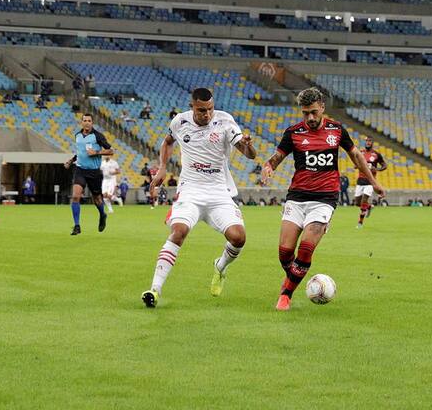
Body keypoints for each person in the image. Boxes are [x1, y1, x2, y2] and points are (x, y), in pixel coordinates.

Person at [259, 87, 384, 311]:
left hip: (324, 198)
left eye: (314, 112)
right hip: (296, 198)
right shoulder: (293, 132)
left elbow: (356, 155)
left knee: (305, 249)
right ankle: (297, 277)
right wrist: (269, 166)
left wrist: (373, 183)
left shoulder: (336, 130)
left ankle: (285, 294)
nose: (310, 117)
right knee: (285, 254)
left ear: (322, 108)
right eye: (306, 113)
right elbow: (278, 156)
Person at [142, 87, 257, 309]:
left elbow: (250, 155)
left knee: (238, 237)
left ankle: (220, 266)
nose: (207, 114)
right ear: (192, 107)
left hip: (218, 192)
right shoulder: (180, 122)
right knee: (179, 231)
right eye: (202, 110)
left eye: (210, 109)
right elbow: (167, 142)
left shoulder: (225, 121)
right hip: (190, 190)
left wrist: (249, 145)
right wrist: (163, 167)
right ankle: (154, 290)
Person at [65, 112, 111, 235]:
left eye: (89, 121)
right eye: (84, 120)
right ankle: (77, 226)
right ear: (82, 122)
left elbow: (110, 151)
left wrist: (96, 153)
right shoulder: (78, 135)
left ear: (92, 123)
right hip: (80, 170)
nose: (86, 122)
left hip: (94, 172)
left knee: (97, 199)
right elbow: (80, 152)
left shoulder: (98, 136)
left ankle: (102, 214)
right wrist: (71, 160)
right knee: (75, 196)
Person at [355, 138, 387, 228]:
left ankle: (360, 223)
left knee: (364, 200)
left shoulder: (376, 154)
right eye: (366, 141)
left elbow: (385, 165)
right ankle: (369, 207)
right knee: (357, 203)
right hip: (360, 181)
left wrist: (377, 169)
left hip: (370, 181)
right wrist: (356, 165)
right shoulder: (360, 152)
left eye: (370, 141)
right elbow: (356, 162)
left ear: (372, 143)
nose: (368, 143)